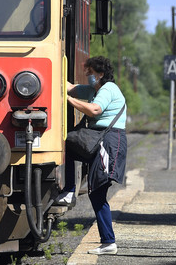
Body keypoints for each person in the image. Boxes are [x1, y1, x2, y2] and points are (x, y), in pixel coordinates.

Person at [55, 56, 127, 255]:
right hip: (99, 140)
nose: (87, 76)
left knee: (97, 191)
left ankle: (109, 242)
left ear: (101, 74)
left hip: (110, 142)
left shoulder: (108, 89)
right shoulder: (93, 90)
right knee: (69, 146)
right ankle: (69, 191)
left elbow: (95, 110)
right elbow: (69, 86)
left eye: (90, 73)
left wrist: (67, 100)